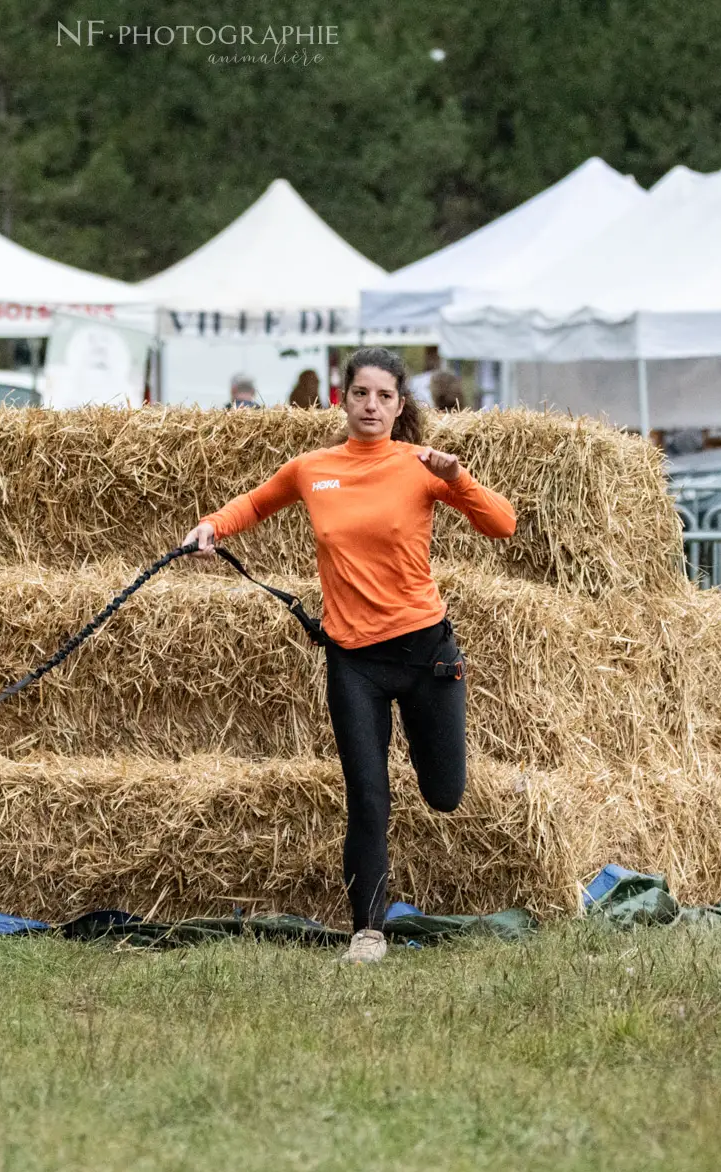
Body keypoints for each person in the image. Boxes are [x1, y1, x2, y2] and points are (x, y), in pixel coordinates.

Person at [182, 347, 517, 963]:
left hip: (426, 654)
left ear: (399, 405)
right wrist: (211, 527)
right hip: (353, 659)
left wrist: (456, 479)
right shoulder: (314, 468)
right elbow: (254, 504)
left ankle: (429, 766)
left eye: (384, 396)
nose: (371, 406)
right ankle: (367, 931)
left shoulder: (419, 466)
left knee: (444, 794)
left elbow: (503, 524)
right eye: (361, 393)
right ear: (343, 398)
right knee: (368, 794)